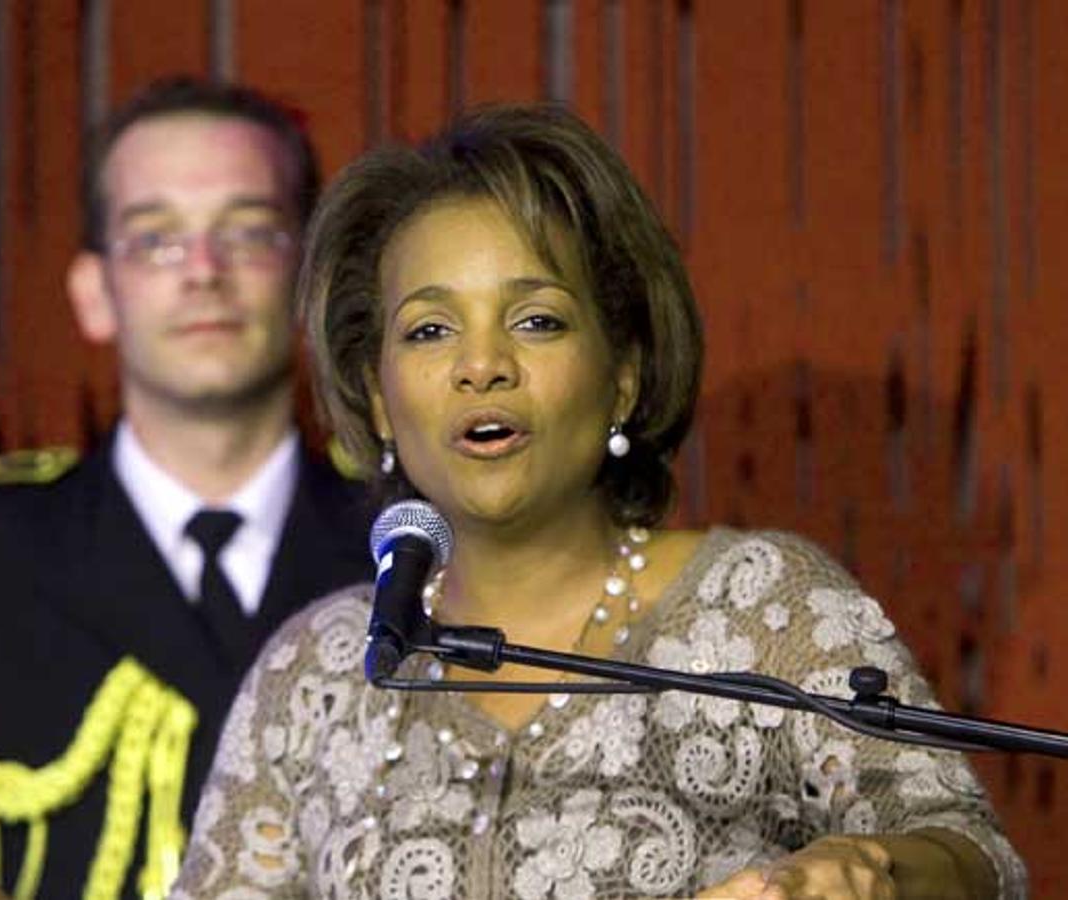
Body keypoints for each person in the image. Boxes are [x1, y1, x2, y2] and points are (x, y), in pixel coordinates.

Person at [168, 104, 1027, 899]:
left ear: (623, 377)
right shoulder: (313, 674)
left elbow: (974, 854)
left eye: (536, 320)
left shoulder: (762, 608)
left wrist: (863, 869)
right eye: (430, 330)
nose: (482, 366)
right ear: (380, 399)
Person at [0, 77, 373, 899]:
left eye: (248, 232)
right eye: (157, 239)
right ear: (95, 293)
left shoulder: (404, 542)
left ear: (310, 280)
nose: (204, 272)